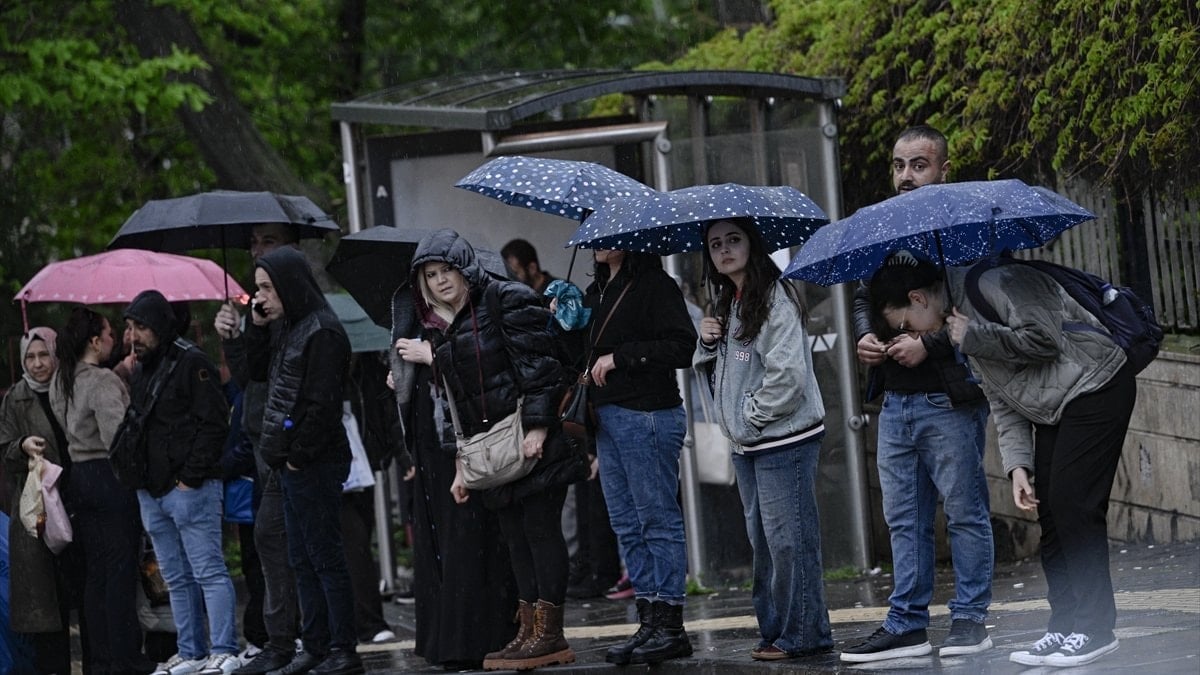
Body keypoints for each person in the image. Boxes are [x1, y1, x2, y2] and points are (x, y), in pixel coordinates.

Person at [873, 251, 1135, 668]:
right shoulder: (959, 321)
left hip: (1097, 385)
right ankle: (1065, 624)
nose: (907, 334)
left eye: (904, 325)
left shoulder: (1002, 282)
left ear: (918, 298)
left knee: (1074, 507)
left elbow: (1045, 340)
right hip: (1054, 405)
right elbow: (1002, 396)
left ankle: (1096, 628)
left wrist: (972, 335)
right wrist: (1018, 467)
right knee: (1050, 512)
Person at [394, 228, 587, 672]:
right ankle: (527, 631)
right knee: (516, 540)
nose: (441, 280)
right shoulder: (456, 321)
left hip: (527, 439)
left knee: (540, 534)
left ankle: (550, 633)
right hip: (493, 452)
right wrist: (464, 467)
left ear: (465, 267)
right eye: (431, 275)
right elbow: (462, 406)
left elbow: (539, 366)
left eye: (446, 270)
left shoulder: (506, 298)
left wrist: (538, 427)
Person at [841, 125, 995, 664]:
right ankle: (906, 623)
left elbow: (980, 307)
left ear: (942, 170)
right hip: (896, 401)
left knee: (964, 512)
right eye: (899, 164)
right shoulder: (882, 226)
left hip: (949, 400)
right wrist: (865, 333)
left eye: (919, 164)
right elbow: (865, 292)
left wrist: (929, 343)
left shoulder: (962, 226)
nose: (906, 175)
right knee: (903, 517)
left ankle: (972, 620)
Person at [693, 219, 834, 661]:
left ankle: (804, 635)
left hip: (782, 441)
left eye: (733, 240)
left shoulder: (774, 297)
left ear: (752, 245)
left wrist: (748, 420)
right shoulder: (730, 303)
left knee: (789, 540)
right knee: (765, 543)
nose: (724, 250)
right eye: (715, 244)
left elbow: (787, 375)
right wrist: (706, 342)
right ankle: (776, 631)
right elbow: (728, 372)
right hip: (749, 446)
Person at [245, 246, 363, 675]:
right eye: (257, 288)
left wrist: (295, 457)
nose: (261, 297)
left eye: (266, 288)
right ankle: (314, 645)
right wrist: (255, 327)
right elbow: (256, 373)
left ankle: (342, 647)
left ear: (289, 285)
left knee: (324, 556)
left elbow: (321, 404)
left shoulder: (322, 331)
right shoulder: (288, 327)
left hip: (312, 462)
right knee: (300, 558)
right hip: (288, 460)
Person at [582, 248, 697, 666]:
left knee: (656, 518)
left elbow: (684, 346)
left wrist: (623, 357)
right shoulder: (595, 290)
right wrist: (564, 318)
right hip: (608, 418)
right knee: (626, 523)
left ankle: (670, 624)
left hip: (647, 413)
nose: (599, 237)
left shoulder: (654, 285)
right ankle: (649, 621)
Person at [122, 290, 241, 675]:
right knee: (174, 577)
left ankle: (223, 648)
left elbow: (214, 422)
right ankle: (191, 652)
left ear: (158, 325)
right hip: (153, 491)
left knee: (208, 571)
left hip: (189, 490)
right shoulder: (141, 369)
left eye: (140, 326)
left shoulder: (191, 362)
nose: (133, 335)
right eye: (129, 327)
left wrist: (190, 479)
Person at [213, 222, 301, 675]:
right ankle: (277, 637)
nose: (256, 250)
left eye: (268, 241)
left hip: (293, 446)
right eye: (253, 243)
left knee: (297, 544)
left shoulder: (304, 315)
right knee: (265, 542)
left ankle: (307, 635)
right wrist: (233, 337)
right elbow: (250, 379)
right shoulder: (258, 312)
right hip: (260, 439)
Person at [49, 306, 153, 675]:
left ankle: (101, 658)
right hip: (109, 477)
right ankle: (126, 657)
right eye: (109, 333)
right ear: (95, 341)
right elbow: (117, 439)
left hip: (79, 475)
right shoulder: (102, 381)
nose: (114, 339)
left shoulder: (63, 380)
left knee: (96, 573)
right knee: (121, 570)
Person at [0, 327, 77, 674]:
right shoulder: (14, 398)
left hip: (78, 502)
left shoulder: (71, 388)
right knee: (46, 608)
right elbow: (4, 450)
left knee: (84, 596)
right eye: (30, 357)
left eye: (43, 354)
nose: (37, 363)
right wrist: (21, 447)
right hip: (38, 516)